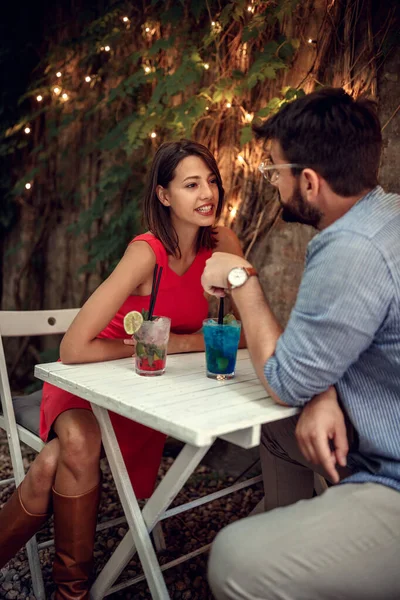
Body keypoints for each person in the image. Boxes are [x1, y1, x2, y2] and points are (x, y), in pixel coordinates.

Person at [0, 139, 243, 598]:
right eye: (191, 184)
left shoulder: (224, 244)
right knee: (76, 440)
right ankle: (72, 592)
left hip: (146, 388)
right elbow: (72, 348)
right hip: (88, 385)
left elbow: (246, 329)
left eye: (211, 181)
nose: (207, 192)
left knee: (53, 460)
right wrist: (152, 345)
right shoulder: (145, 253)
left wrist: (178, 344)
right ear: (164, 195)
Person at [203, 88, 400, 599]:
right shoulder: (385, 218)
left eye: (275, 173)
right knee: (279, 431)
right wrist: (324, 390)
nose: (273, 184)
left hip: (392, 476)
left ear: (308, 182)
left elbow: (286, 379)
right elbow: (326, 351)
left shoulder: (351, 250)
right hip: (371, 435)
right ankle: (314, 550)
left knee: (232, 558)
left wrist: (242, 277)